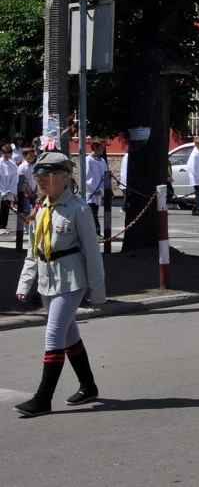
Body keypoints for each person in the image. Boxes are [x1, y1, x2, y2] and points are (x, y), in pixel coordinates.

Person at [13, 151, 105, 417]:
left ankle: (43, 398)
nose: (39, 181)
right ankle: (88, 386)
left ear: (63, 177)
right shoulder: (42, 208)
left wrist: (97, 291)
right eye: (38, 176)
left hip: (71, 281)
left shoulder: (79, 208)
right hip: (47, 279)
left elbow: (92, 253)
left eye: (45, 176)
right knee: (68, 335)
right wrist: (24, 284)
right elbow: (34, 251)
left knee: (53, 334)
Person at [85, 138, 109, 236]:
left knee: (95, 212)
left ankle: (95, 233)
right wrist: (94, 189)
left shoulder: (102, 161)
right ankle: (96, 233)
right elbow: (87, 176)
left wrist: (102, 189)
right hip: (91, 192)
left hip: (99, 191)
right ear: (95, 147)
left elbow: (105, 176)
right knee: (92, 214)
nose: (103, 150)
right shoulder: (88, 160)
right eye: (101, 148)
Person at [17, 147, 37, 229]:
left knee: (36, 209)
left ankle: (35, 224)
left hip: (34, 191)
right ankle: (26, 226)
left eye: (33, 156)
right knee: (26, 210)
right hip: (25, 193)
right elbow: (21, 181)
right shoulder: (22, 167)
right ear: (24, 156)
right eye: (30, 156)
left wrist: (35, 190)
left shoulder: (34, 166)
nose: (32, 157)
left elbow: (36, 178)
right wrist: (28, 192)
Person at [0, 143, 18, 235]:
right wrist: (2, 190)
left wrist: (8, 191)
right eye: (4, 153)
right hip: (1, 188)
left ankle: (2, 226)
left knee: (5, 208)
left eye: (8, 153)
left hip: (8, 190)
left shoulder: (13, 165)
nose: (6, 155)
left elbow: (14, 179)